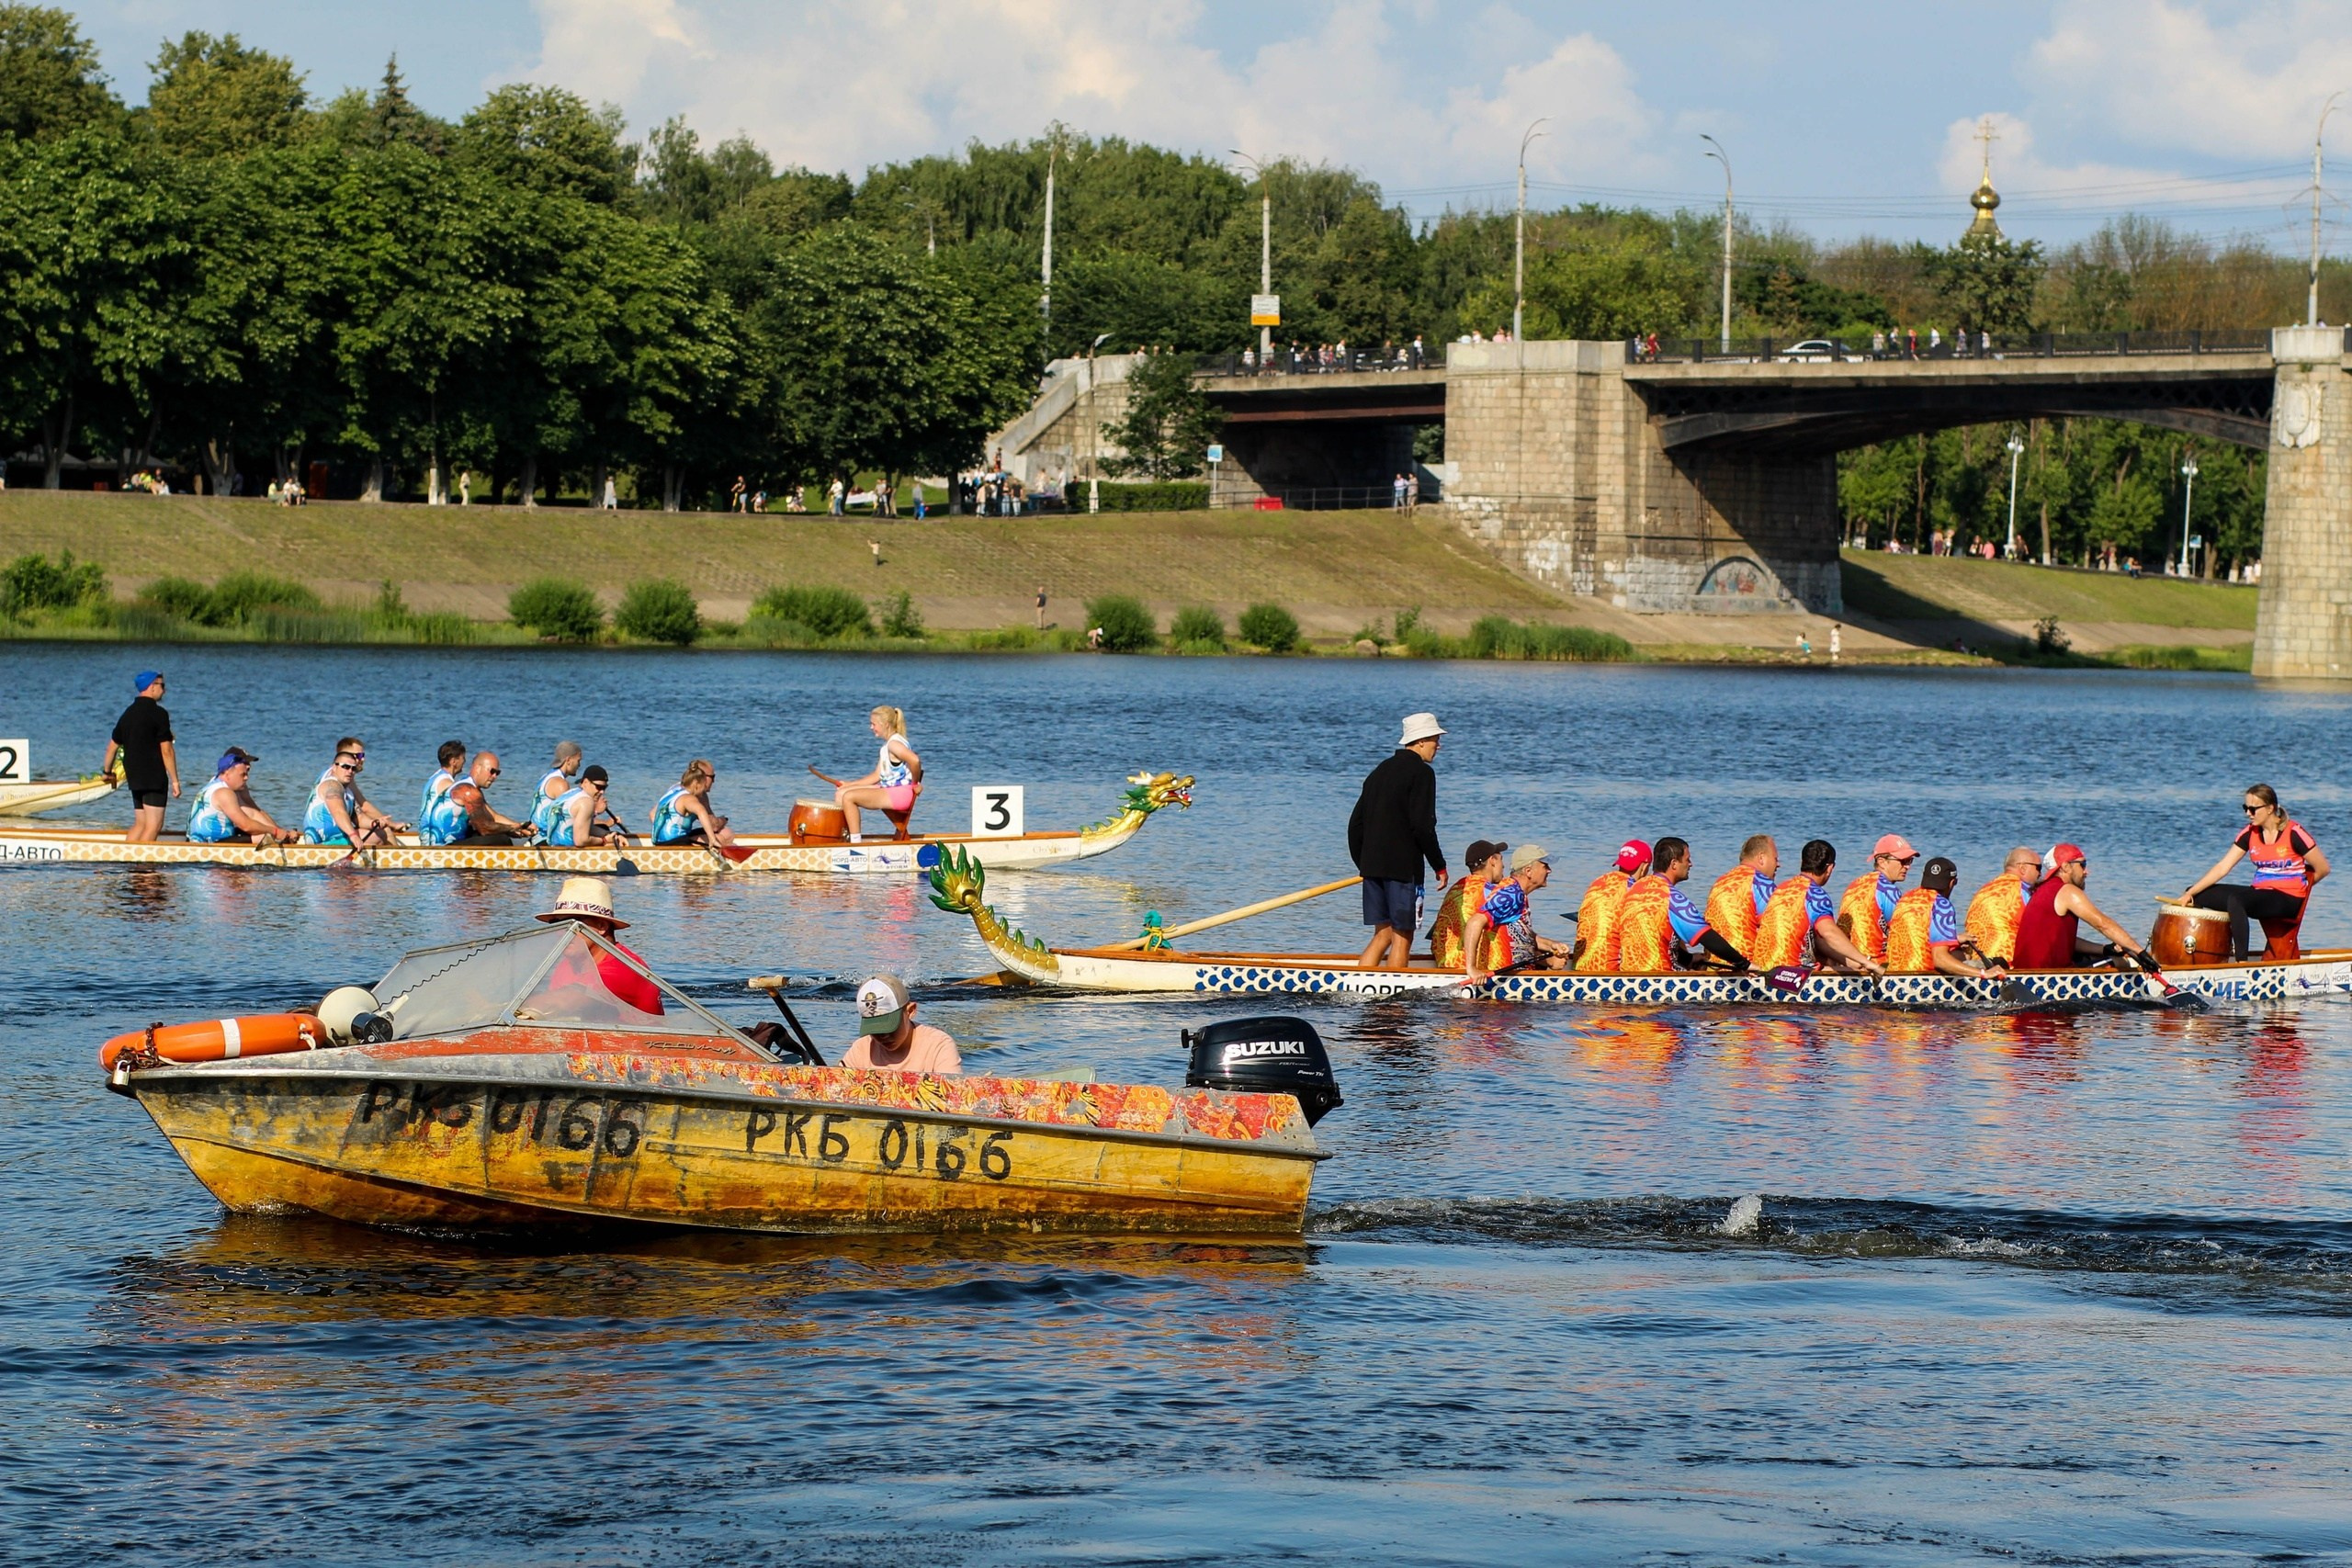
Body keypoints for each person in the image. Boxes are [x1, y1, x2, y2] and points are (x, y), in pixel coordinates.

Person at [2181, 784, 2330, 961]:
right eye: (2246, 808)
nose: (2248, 814)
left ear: (2270, 808)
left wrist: (2302, 887)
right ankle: (2204, 954)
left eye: (2253, 809)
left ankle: (2241, 963)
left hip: (2288, 898)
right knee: (2198, 894)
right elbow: (2223, 867)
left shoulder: (2294, 833)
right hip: (2260, 893)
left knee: (2237, 900)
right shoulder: (2249, 833)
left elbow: (2322, 868)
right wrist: (2190, 893)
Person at [1348, 712, 1448, 969]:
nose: (1439, 745)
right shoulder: (1422, 774)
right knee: (1403, 936)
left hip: (1373, 867)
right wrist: (1439, 865)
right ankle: (1396, 1006)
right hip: (1403, 870)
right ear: (1422, 740)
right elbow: (1423, 827)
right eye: (1436, 739)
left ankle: (1358, 989)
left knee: (1383, 934)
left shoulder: (1379, 771)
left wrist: (1364, 863)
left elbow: (1355, 825)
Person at [1605, 838, 1749, 973]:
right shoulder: (1672, 897)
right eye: (1687, 860)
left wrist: (1689, 959)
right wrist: (1744, 964)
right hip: (1660, 982)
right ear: (1674, 864)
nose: (1690, 864)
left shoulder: (1633, 890)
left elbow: (1654, 941)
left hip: (1628, 975)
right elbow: (1705, 936)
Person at [1751, 839, 1885, 975]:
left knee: (1849, 968)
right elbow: (1829, 933)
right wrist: (1868, 963)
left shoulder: (1782, 888)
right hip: (1791, 976)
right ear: (1830, 868)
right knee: (1855, 974)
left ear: (1803, 863)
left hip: (1765, 970)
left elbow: (1819, 940)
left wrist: (1852, 962)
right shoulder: (1815, 894)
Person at [534, 876, 663, 1015]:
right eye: (556, 925)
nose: (561, 933)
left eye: (571, 924)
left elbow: (564, 1001)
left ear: (601, 926)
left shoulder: (621, 969)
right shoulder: (567, 964)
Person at [2013, 843, 2155, 969]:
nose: (2086, 871)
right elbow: (2103, 924)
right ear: (2066, 867)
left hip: (2024, 973)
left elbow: (2065, 941)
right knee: (2120, 963)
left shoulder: (2041, 890)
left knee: (2092, 957)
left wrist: (2104, 949)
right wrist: (2140, 953)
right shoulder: (2067, 891)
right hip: (2048, 976)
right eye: (2082, 865)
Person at [1462, 845, 1570, 985]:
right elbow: (1474, 922)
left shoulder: (1517, 893)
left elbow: (1521, 934)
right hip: (1504, 983)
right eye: (1545, 866)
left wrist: (1551, 945)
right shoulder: (1511, 895)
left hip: (1517, 976)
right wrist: (1471, 969)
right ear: (1528, 871)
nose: (1549, 870)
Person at [1886, 857, 2005, 976]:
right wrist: (1984, 973)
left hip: (1893, 978)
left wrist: (1954, 940)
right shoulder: (1941, 905)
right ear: (1952, 882)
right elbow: (1940, 960)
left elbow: (1918, 940)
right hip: (1923, 981)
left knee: (1960, 952)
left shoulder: (1905, 899)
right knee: (1997, 963)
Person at [100, 670, 178, 842]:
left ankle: (126, 860)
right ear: (151, 687)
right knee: (154, 825)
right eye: (162, 685)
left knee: (141, 823)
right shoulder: (159, 714)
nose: (164, 690)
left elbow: (111, 747)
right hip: (153, 775)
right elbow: (167, 751)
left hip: (134, 774)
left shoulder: (128, 713)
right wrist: (175, 781)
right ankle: (141, 867)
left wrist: (107, 772)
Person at [838, 973, 962, 1074]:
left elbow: (953, 1097)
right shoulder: (861, 1049)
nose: (883, 1036)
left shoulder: (938, 1046)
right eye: (874, 1030)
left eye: (889, 1027)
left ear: (910, 1011)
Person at [835, 705, 922, 843]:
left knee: (849, 797)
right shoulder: (887, 746)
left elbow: (915, 760)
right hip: (890, 790)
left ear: (885, 725)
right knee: (841, 793)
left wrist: (915, 784)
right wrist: (849, 784)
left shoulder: (894, 744)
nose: (871, 727)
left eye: (873, 724)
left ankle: (855, 844)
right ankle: (842, 837)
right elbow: (877, 776)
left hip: (899, 795)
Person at [185, 748, 300, 845]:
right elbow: (246, 825)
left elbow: (254, 813)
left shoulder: (217, 784)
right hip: (208, 845)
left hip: (214, 840)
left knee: (268, 835)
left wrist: (280, 832)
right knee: (267, 837)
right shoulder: (224, 793)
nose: (246, 778)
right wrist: (275, 832)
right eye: (243, 774)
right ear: (227, 773)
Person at [302, 738, 403, 845]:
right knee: (380, 835)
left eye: (353, 768)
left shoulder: (347, 788)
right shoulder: (332, 785)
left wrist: (375, 823)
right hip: (322, 843)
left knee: (380, 831)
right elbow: (338, 811)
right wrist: (353, 835)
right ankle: (398, 859)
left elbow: (359, 817)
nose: (350, 771)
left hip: (337, 837)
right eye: (346, 767)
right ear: (334, 767)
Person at [1428, 839, 1508, 968]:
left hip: (1446, 962)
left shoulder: (1456, 889)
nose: (1503, 865)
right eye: (1501, 859)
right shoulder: (1493, 893)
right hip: (1473, 969)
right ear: (1492, 860)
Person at [1837, 834, 1917, 964]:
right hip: (1879, 965)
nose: (1907, 867)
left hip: (1849, 961)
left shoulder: (1854, 885)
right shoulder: (1888, 891)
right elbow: (1908, 935)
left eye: (1910, 861)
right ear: (1881, 861)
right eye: (1903, 861)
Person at [1572, 840, 1649, 969]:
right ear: (1645, 866)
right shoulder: (1636, 890)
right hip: (1610, 972)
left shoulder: (1598, 882)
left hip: (1581, 967)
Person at [1702, 835, 1779, 962]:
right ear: (1761, 858)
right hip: (1747, 968)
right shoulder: (1761, 883)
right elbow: (1777, 929)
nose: (1778, 865)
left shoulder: (1719, 883)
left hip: (1715, 966)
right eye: (1776, 859)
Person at [1964, 847, 2042, 965]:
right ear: (2023, 868)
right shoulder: (2023, 890)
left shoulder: (1984, 890)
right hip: (2006, 963)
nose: (2040, 874)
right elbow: (2040, 928)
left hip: (1978, 959)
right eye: (2038, 868)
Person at [443, 751, 535, 846]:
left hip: (456, 843)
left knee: (493, 834)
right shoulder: (468, 790)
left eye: (497, 773)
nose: (494, 777)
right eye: (492, 771)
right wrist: (513, 828)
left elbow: (494, 817)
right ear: (478, 768)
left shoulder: (470, 786)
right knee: (501, 839)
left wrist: (521, 828)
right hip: (444, 848)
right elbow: (484, 828)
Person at [650, 758, 733, 846]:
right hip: (674, 843)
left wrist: (663, 832)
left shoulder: (675, 789)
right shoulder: (689, 798)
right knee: (721, 839)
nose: (713, 781)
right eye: (712, 777)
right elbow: (702, 812)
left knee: (727, 833)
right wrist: (712, 839)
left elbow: (652, 814)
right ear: (697, 782)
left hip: (662, 841)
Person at [548, 764, 632, 848]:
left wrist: (612, 835)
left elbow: (587, 828)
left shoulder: (570, 794)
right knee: (610, 844)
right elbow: (581, 841)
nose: (602, 792)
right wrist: (605, 840)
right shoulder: (586, 802)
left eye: (604, 788)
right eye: (599, 787)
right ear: (585, 782)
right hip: (567, 853)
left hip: (552, 848)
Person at [533, 741, 583, 840]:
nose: (579, 765)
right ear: (568, 760)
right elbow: (568, 818)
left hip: (537, 833)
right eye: (578, 761)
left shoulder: (546, 776)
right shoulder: (560, 784)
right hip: (545, 838)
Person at [419, 739, 468, 840]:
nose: (465, 761)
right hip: (437, 841)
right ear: (454, 761)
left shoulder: (434, 778)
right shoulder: (447, 784)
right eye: (463, 758)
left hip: (427, 835)